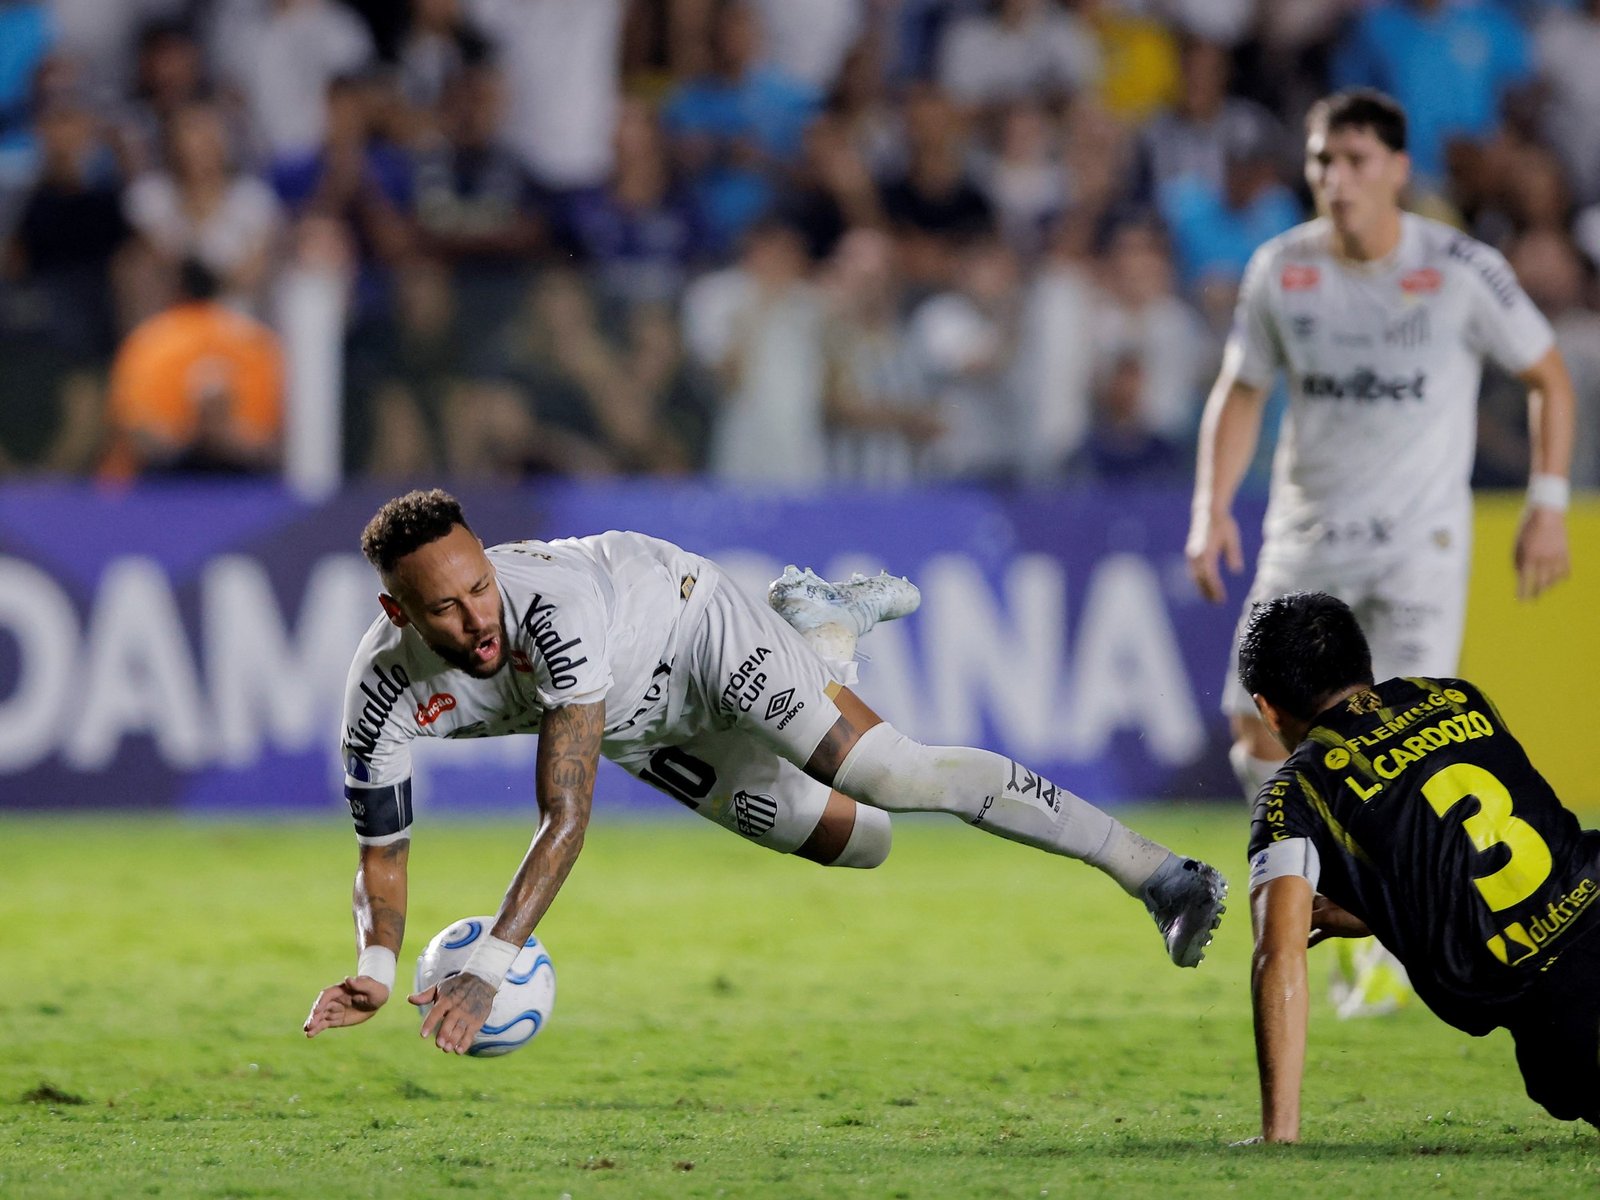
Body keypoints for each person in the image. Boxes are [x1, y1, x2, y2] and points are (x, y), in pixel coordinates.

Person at [305, 489, 1229, 1053]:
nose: (478, 620)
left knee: (893, 776)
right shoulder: (379, 697)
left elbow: (565, 815)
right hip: (638, 726)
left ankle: (1159, 875)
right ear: (398, 611)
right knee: (864, 842)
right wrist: (376, 968)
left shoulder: (552, 610)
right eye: (447, 609)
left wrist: (491, 966)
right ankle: (827, 635)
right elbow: (381, 851)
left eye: (481, 588)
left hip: (690, 626)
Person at [1184, 88, 1576, 1016]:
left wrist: (1546, 503)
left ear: (1398, 169)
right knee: (1252, 728)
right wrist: (1210, 507)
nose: (1337, 178)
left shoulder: (1460, 269)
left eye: (1356, 160)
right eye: (1323, 160)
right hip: (1307, 537)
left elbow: (1547, 377)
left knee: (1401, 751)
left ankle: (1388, 938)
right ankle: (1337, 894)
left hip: (1417, 549)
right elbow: (1240, 391)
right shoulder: (1282, 270)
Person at [1239, 591, 1600, 1139]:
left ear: (1267, 708)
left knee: (1559, 1077)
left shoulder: (1294, 792)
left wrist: (1278, 1136)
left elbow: (1278, 952)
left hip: (1556, 1000)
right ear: (1366, 666)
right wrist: (1377, 908)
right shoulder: (1457, 697)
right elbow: (1492, 838)